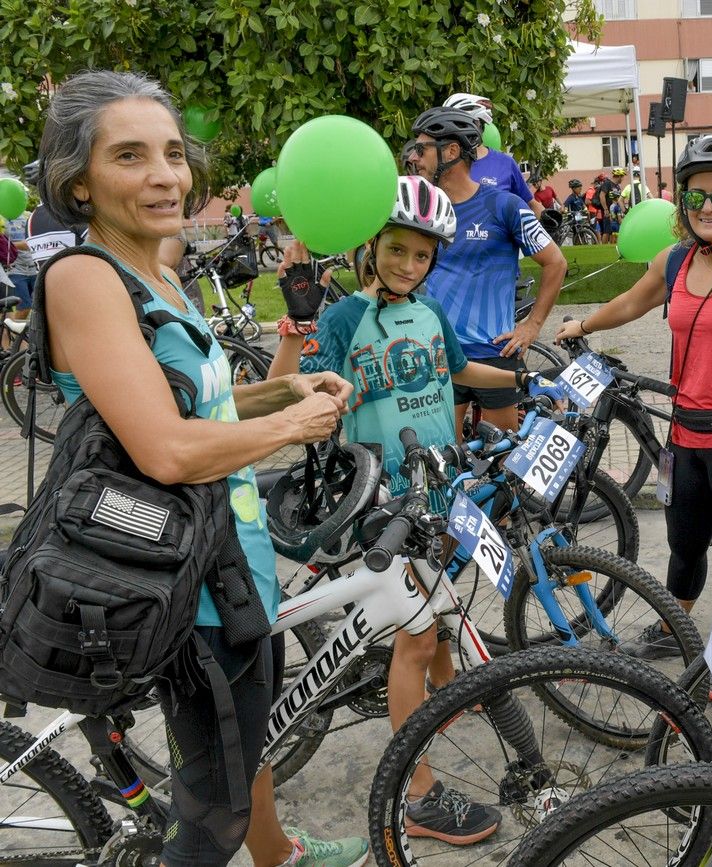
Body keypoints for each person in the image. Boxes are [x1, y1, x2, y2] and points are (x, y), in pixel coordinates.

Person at [36, 69, 365, 867]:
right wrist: (293, 422)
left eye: (173, 153)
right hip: (183, 585)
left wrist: (281, 387)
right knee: (208, 824)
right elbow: (167, 448)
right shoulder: (85, 277)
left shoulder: (158, 270)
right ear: (79, 181)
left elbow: (198, 409)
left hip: (232, 561)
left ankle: (278, 853)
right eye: (129, 156)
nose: (163, 175)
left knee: (239, 757)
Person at [268, 175, 564, 845]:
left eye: (422, 255)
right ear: (371, 247)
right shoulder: (346, 318)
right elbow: (290, 390)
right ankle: (418, 790)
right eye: (397, 250)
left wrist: (532, 380)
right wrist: (299, 322)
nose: (408, 265)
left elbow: (460, 371)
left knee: (437, 613)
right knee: (420, 634)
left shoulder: (428, 314)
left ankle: (436, 700)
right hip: (380, 498)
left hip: (438, 491)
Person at [552, 134, 712, 657]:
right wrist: (583, 323)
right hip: (685, 436)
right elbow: (631, 303)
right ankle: (673, 632)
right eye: (696, 195)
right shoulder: (675, 261)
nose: (708, 207)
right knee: (683, 546)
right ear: (682, 201)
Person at [409, 107, 566, 435]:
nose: (414, 157)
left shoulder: (504, 206)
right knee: (442, 464)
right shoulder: (424, 211)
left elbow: (555, 262)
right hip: (441, 354)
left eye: (422, 149)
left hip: (493, 354)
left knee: (500, 467)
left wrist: (532, 325)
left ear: (451, 152)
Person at [442, 92, 542, 218]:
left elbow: (531, 204)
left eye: (459, 127)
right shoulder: (444, 163)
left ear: (478, 126)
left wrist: (549, 224)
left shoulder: (505, 163)